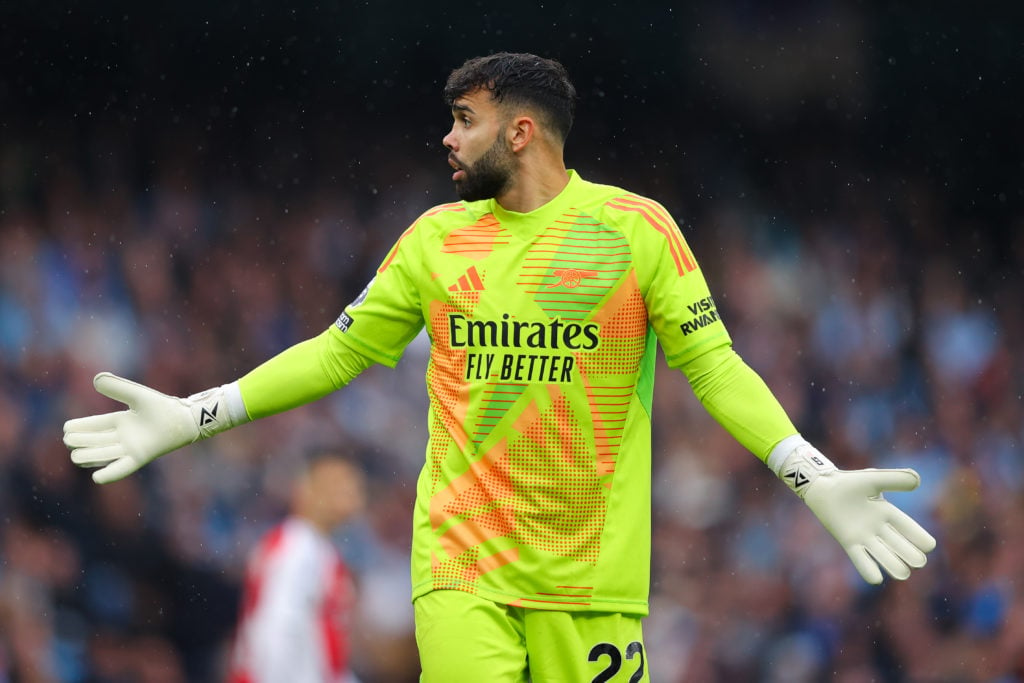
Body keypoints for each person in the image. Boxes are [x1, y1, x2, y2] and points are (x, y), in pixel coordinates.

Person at [63, 52, 936, 682]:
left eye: (464, 120)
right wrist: (196, 412)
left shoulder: (635, 230)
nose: (447, 138)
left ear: (520, 132)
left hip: (592, 579)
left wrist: (809, 471)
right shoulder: (436, 239)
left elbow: (713, 366)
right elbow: (342, 349)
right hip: (461, 564)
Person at [228, 453, 364, 683]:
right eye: (337, 484)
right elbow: (275, 632)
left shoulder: (318, 549)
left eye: (354, 485)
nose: (349, 491)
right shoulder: (297, 549)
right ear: (305, 490)